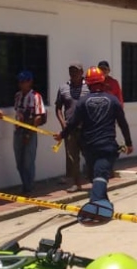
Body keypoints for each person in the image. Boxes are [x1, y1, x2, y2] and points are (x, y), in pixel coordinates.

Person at [55, 67, 132, 204]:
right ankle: (98, 205)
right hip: (107, 148)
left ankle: (101, 205)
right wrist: (129, 143)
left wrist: (62, 135)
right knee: (99, 178)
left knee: (96, 177)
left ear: (88, 84)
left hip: (89, 148)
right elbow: (123, 123)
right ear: (103, 82)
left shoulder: (83, 102)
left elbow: (72, 123)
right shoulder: (113, 100)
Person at [55, 64, 89, 192]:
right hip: (69, 129)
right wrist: (63, 123)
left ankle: (94, 179)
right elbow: (58, 108)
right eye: (70, 71)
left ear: (81, 72)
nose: (73, 74)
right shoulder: (63, 88)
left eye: (75, 71)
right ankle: (77, 183)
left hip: (86, 128)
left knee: (89, 154)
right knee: (73, 157)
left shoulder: (89, 87)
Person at [12, 70, 46, 195]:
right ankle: (24, 184)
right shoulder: (18, 96)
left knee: (28, 161)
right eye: (20, 82)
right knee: (19, 161)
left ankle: (29, 187)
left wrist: (28, 133)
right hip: (18, 130)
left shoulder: (36, 96)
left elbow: (38, 117)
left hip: (30, 132)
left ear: (30, 82)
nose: (21, 84)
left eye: (24, 81)